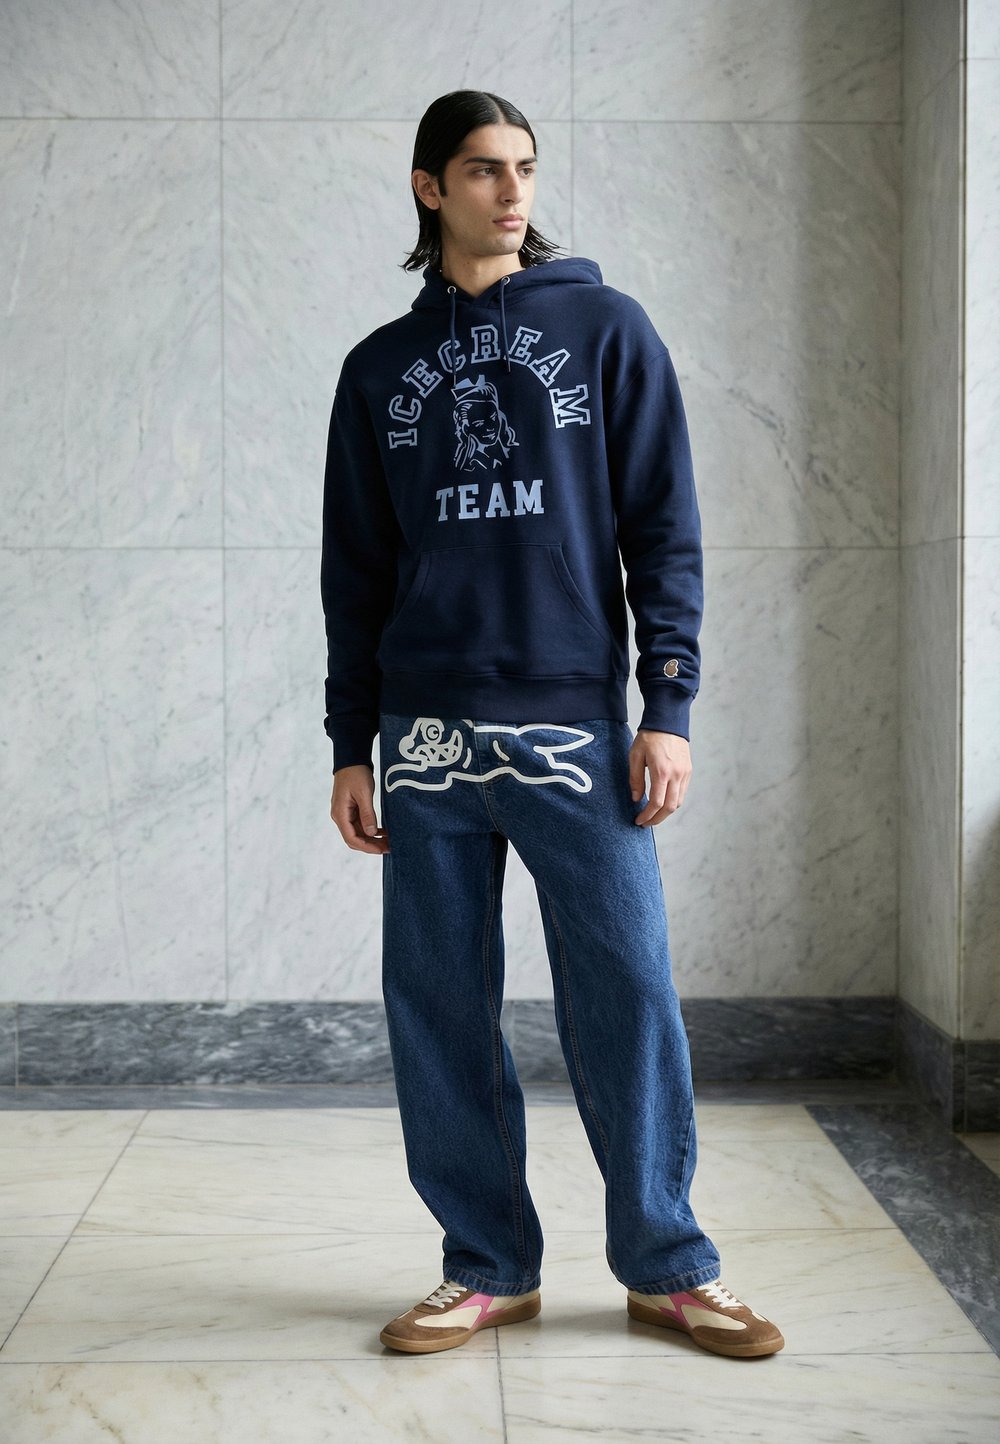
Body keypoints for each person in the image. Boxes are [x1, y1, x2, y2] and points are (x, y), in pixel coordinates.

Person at [320, 89, 784, 1361]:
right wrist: (351, 741)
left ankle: (670, 1265)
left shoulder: (605, 329)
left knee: (627, 987)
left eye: (523, 167)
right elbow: (354, 570)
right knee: (437, 1004)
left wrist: (666, 705)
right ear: (430, 188)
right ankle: (485, 1266)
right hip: (424, 733)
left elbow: (663, 527)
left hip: (573, 720)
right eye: (483, 170)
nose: (512, 191)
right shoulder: (378, 368)